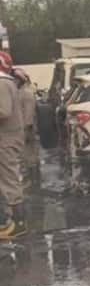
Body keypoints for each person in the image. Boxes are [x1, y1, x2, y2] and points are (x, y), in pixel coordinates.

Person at [0, 51, 27, 239]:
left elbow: (3, 111)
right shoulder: (7, 81)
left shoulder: (1, 82)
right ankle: (10, 221)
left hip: (6, 140)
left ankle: (19, 224)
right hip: (9, 137)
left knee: (9, 180)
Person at [13, 68, 39, 186]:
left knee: (29, 155)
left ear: (20, 80)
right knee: (26, 155)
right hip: (21, 128)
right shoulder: (19, 92)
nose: (13, 81)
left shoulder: (27, 93)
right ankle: (31, 179)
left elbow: (28, 114)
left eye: (15, 79)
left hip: (26, 128)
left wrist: (27, 130)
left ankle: (33, 181)